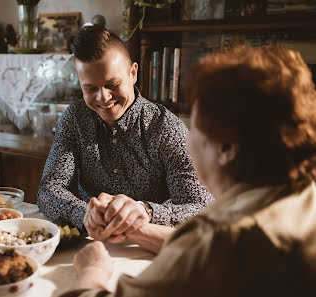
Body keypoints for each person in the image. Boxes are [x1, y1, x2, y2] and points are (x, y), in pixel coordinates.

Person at [60, 46, 316, 297]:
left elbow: (202, 248)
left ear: (226, 149)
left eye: (195, 127)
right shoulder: (305, 197)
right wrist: (134, 227)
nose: (188, 142)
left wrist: (92, 271)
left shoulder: (216, 240)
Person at [37, 25, 213, 239]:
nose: (103, 98)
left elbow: (200, 205)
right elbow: (49, 189)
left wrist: (146, 211)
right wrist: (85, 213)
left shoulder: (167, 128)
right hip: (94, 240)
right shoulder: (75, 118)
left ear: (133, 73)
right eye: (91, 89)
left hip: (153, 245)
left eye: (113, 84)